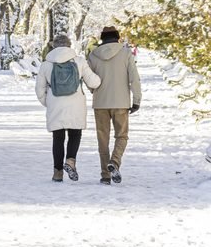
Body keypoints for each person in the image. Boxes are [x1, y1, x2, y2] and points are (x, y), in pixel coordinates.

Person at [35, 34, 101, 182]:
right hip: (76, 103)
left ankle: (57, 172)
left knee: (58, 138)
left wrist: (49, 102)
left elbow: (39, 90)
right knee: (75, 134)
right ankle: (71, 161)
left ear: (54, 46)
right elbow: (94, 82)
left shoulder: (46, 64)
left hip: (55, 104)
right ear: (69, 46)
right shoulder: (79, 62)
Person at [86, 25, 141, 185]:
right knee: (121, 136)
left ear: (102, 38)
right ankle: (115, 162)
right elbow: (134, 79)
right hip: (121, 102)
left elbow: (88, 78)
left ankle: (105, 175)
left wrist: (93, 90)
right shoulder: (125, 54)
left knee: (102, 139)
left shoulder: (93, 55)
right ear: (117, 37)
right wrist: (136, 100)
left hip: (100, 103)